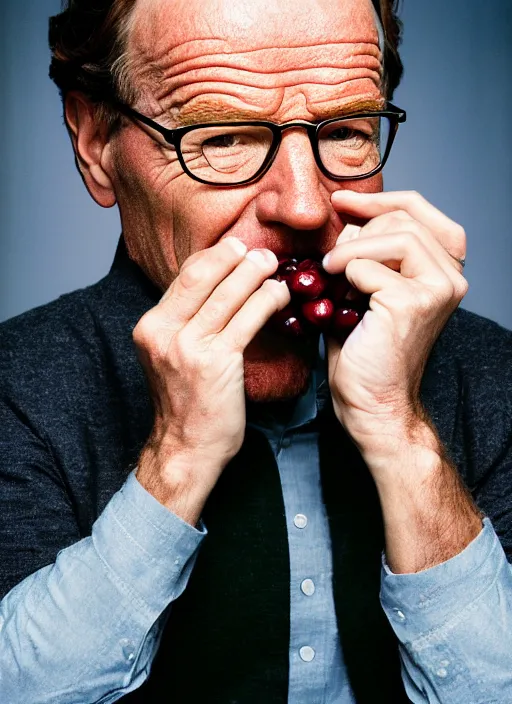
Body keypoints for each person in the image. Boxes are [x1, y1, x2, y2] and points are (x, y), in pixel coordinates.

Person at [0, 0, 511, 701]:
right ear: (96, 144)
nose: (304, 207)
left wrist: (402, 435)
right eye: (224, 137)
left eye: (345, 131)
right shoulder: (14, 387)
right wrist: (177, 458)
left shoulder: (494, 375)